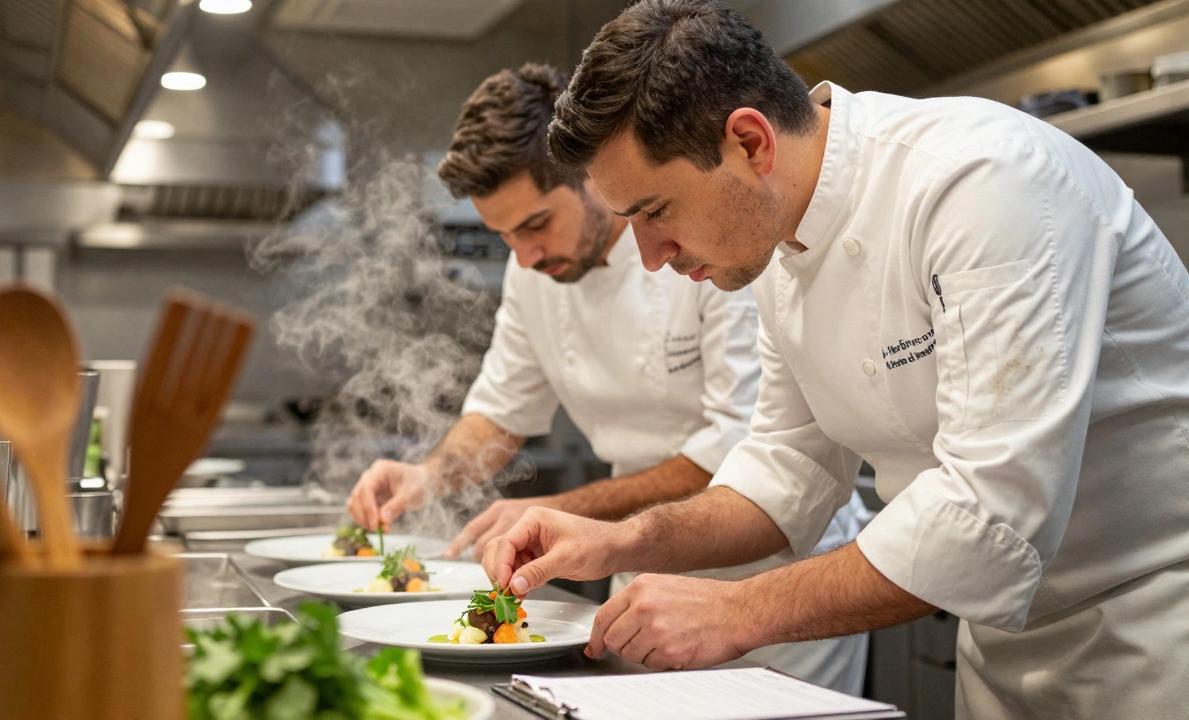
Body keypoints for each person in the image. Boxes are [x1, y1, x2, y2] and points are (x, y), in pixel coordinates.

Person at [480, 2, 1189, 718]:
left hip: (1154, 626)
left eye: (656, 212)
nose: (651, 257)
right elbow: (788, 469)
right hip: (1004, 647)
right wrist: (623, 539)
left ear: (750, 143)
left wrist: (738, 611)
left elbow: (993, 510)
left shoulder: (982, 182)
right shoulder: (779, 243)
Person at [345, 63, 870, 694]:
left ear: (591, 178)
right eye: (504, 235)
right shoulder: (533, 273)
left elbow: (735, 450)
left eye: (536, 224)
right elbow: (502, 411)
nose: (526, 256)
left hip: (774, 580)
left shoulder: (707, 246)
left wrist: (564, 512)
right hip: (643, 568)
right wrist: (429, 475)